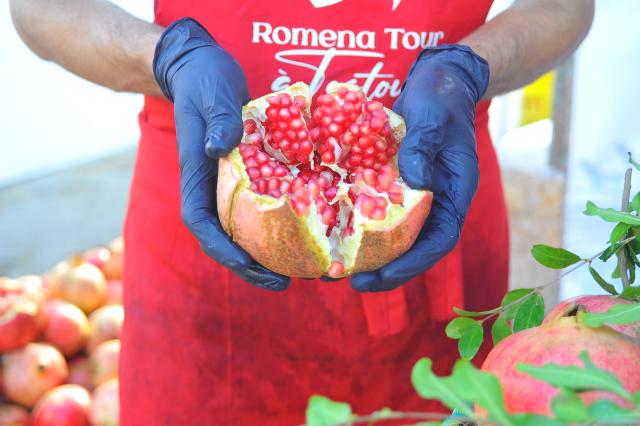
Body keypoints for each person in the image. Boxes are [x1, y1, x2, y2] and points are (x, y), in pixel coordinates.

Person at [10, 0, 594, 424]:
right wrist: (165, 55)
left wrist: (471, 67)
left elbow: (566, 7)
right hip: (202, 259)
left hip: (430, 200)